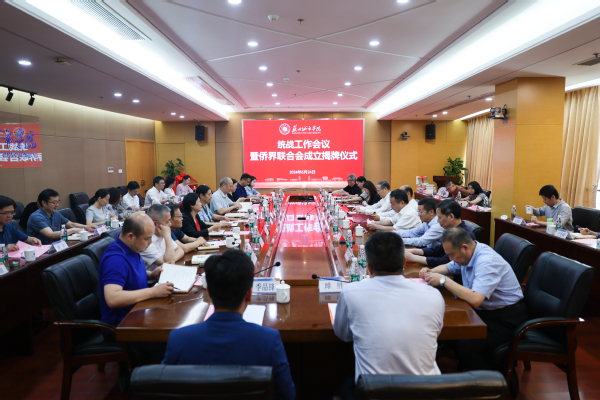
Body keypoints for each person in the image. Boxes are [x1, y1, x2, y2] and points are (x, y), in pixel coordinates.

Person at [163, 249, 295, 400]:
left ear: (209, 293)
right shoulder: (269, 340)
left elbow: (163, 389)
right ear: (249, 294)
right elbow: (287, 395)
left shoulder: (178, 339)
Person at [334, 232, 444, 385]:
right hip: (427, 390)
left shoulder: (350, 293)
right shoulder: (434, 296)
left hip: (375, 391)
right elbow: (435, 333)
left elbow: (343, 335)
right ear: (404, 262)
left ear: (369, 267)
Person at [420, 228, 527, 373]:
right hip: (487, 311)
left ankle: (496, 379)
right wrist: (431, 272)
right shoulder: (468, 254)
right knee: (444, 326)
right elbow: (448, 267)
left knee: (466, 345)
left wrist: (444, 281)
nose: (450, 258)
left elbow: (476, 299)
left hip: (506, 318)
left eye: (451, 254)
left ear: (465, 248)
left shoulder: (486, 261)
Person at [98, 212, 173, 366]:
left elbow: (130, 274)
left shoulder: (131, 248)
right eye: (147, 238)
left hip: (138, 314)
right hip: (122, 326)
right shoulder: (115, 260)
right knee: (172, 341)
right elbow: (113, 298)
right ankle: (149, 378)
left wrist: (151, 274)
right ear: (131, 236)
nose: (150, 242)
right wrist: (152, 292)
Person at [405, 200, 476, 266]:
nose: (438, 221)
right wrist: (412, 251)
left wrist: (413, 258)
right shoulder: (451, 231)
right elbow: (437, 250)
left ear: (451, 216)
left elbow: (444, 261)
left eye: (439, 217)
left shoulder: (464, 236)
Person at [27, 189, 92, 244]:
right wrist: (74, 230)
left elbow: (71, 224)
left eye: (58, 202)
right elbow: (51, 235)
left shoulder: (55, 213)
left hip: (56, 245)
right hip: (42, 249)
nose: (57, 205)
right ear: (44, 203)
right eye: (54, 203)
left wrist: (86, 227)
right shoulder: (36, 217)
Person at [140, 204, 184, 271]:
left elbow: (180, 250)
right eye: (167, 221)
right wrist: (167, 237)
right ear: (155, 224)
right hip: (155, 277)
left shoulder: (162, 234)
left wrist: (172, 258)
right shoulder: (146, 241)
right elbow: (169, 264)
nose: (170, 224)